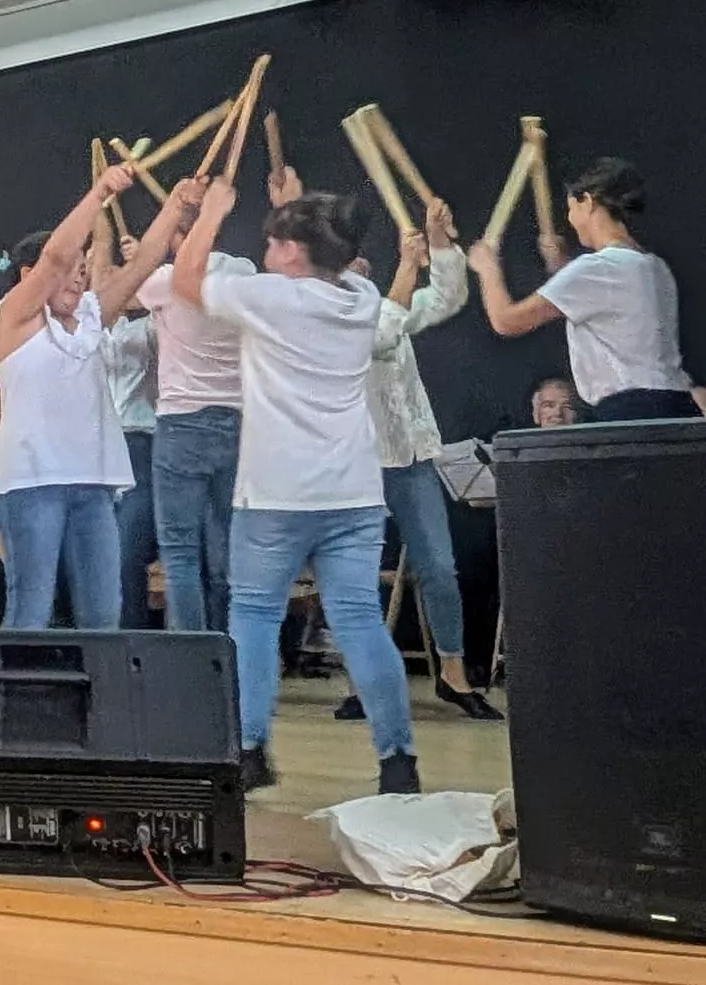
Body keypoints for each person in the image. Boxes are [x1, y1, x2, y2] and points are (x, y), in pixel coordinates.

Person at [173, 183, 420, 795]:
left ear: (291, 252)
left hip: (277, 492)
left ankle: (249, 749)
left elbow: (185, 281)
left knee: (253, 617)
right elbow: (337, 263)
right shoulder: (361, 295)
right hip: (354, 490)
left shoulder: (270, 298)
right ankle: (398, 761)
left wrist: (208, 216)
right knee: (360, 619)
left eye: (274, 240)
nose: (266, 249)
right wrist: (298, 204)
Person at [0, 164, 172, 631]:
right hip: (32, 483)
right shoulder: (16, 317)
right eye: (72, 271)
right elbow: (54, 257)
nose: (76, 279)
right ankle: (16, 701)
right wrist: (99, 194)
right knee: (31, 610)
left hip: (93, 482)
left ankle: (99, 702)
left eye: (83, 272)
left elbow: (144, 263)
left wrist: (178, 207)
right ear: (28, 276)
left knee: (103, 612)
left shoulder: (90, 316)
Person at [343, 199, 501, 721]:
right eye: (355, 263)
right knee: (359, 574)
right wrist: (408, 266)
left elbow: (450, 296)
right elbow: (379, 338)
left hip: (410, 454)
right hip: (361, 459)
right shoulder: (336, 312)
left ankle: (453, 674)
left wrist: (437, 244)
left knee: (439, 565)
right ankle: (363, 678)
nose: (364, 266)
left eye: (367, 263)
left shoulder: (391, 300)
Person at [135, 168, 272, 632]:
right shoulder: (242, 273)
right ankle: (234, 652)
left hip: (182, 424)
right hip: (237, 422)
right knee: (229, 550)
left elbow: (128, 289)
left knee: (179, 554)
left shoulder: (165, 281)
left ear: (178, 236)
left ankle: (190, 662)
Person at [470, 158, 692, 422]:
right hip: (677, 407)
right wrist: (562, 268)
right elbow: (606, 306)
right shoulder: (655, 267)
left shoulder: (596, 268)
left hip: (633, 412)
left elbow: (506, 321)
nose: (570, 219)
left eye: (571, 208)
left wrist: (488, 270)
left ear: (586, 201)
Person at [101, 239, 160, 629]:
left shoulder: (151, 325)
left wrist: (144, 263)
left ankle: (137, 641)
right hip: (100, 447)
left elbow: (171, 304)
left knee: (127, 553)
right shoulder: (90, 327)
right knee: (104, 556)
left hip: (143, 442)